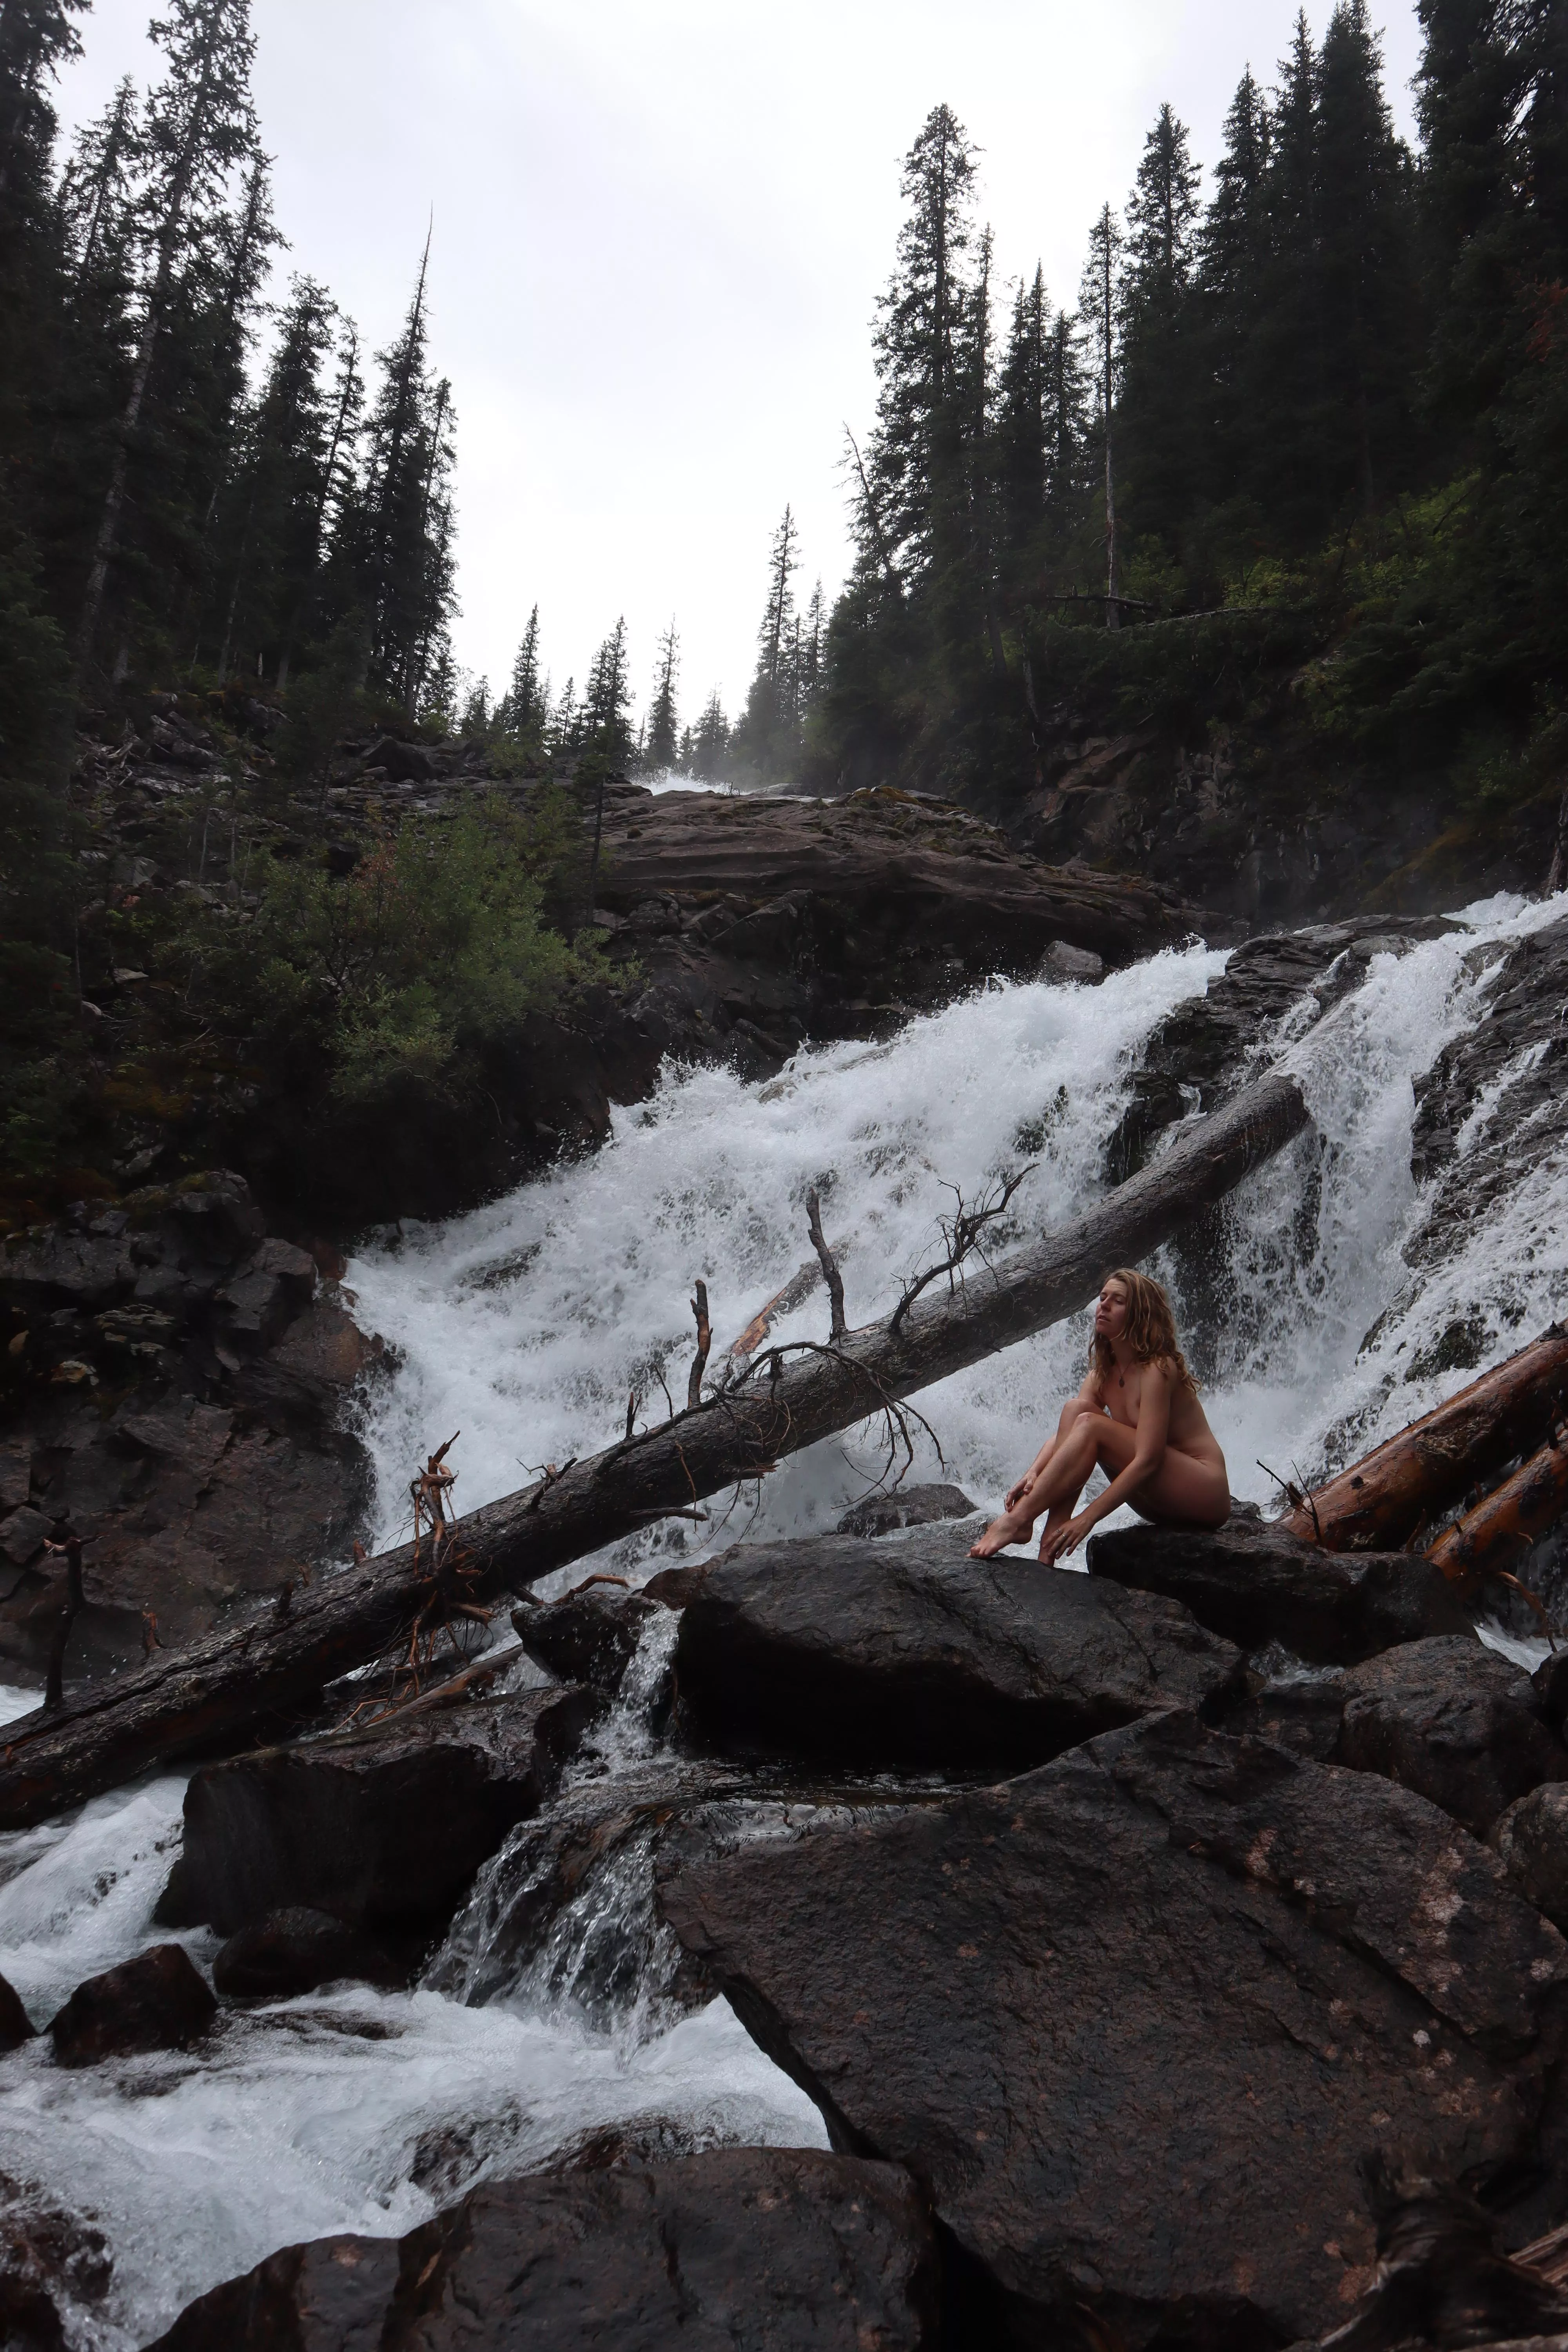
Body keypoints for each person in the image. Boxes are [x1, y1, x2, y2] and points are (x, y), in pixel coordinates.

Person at [969, 1267, 1230, 1564]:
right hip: (1158, 1499)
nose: (1103, 1305)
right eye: (1103, 1297)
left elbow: (1149, 1459)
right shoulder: (1102, 1374)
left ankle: (1016, 1521)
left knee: (1089, 1424)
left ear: (1140, 1314)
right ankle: (1047, 1549)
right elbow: (1070, 1436)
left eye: (1117, 1301)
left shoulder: (1158, 1369)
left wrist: (1087, 1517)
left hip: (1203, 1493)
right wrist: (1034, 1472)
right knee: (1076, 1410)